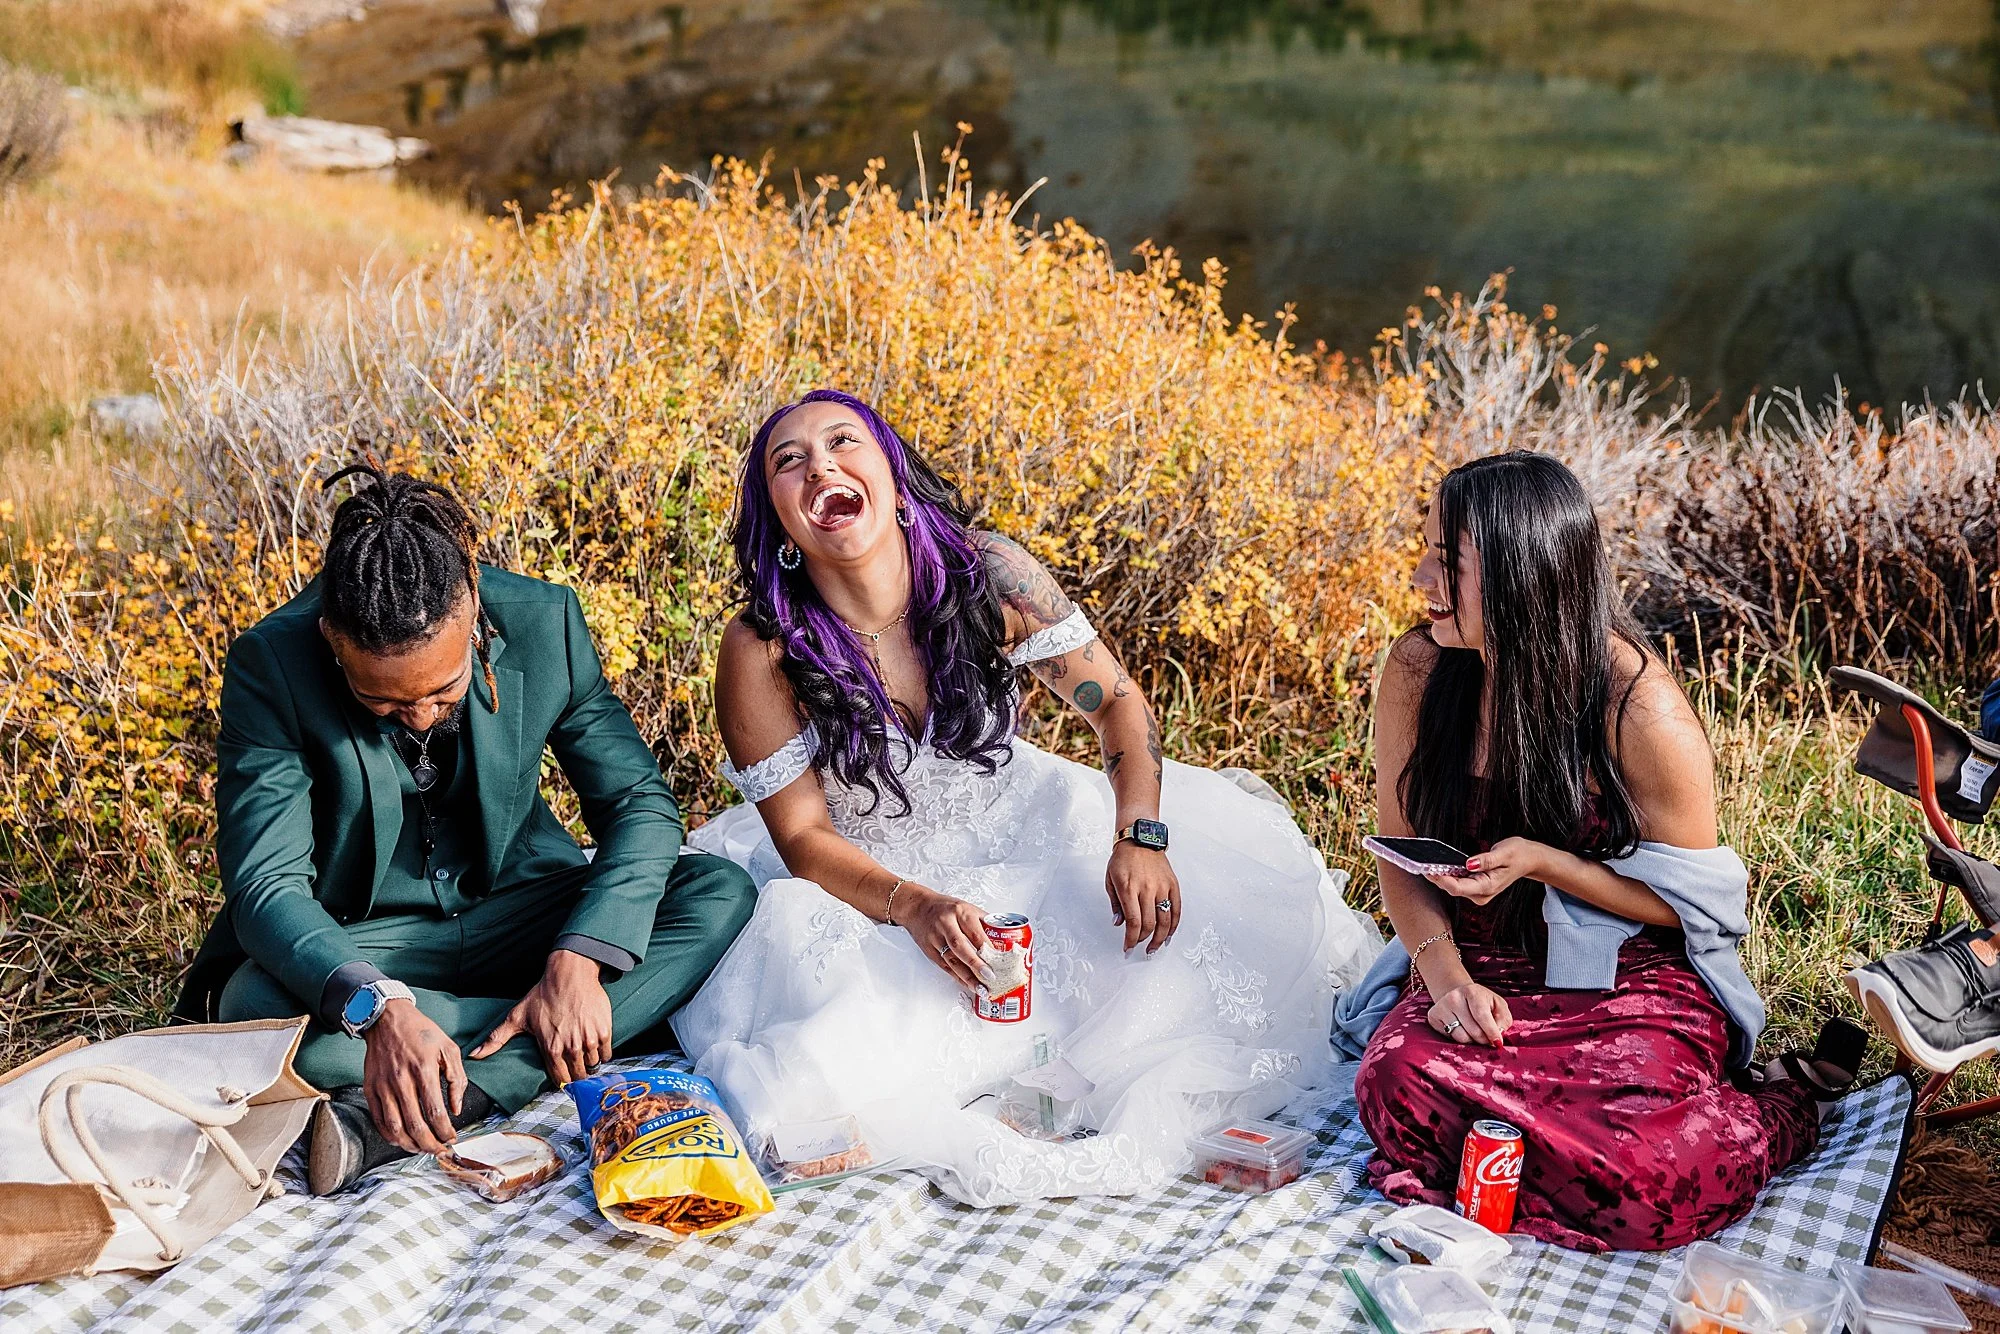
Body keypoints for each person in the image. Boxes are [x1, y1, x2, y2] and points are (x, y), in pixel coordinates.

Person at [671, 389, 1383, 1207]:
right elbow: (800, 835)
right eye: (789, 463)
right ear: (783, 525)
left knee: (1180, 972)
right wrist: (916, 906)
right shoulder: (761, 646)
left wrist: (1141, 836)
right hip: (870, 886)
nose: (821, 466)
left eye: (842, 443)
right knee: (831, 1070)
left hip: (1033, 832)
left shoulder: (988, 575)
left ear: (896, 481)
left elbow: (1117, 704)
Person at [176, 467, 755, 1195]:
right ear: (331, 638)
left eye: (442, 691)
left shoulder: (546, 623)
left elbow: (639, 803)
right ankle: (586, 1030)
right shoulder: (272, 663)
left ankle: (471, 1079)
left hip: (521, 911)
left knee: (718, 888)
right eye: (382, 703)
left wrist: (576, 963)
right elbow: (266, 886)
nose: (419, 716)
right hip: (368, 937)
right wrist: (379, 1009)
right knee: (251, 1009)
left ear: (473, 604)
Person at [1346, 451, 1863, 1253]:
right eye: (1425, 552)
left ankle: (1781, 1107)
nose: (1420, 578)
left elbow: (1700, 907)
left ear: (1528, 572)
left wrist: (1550, 864)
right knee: (1393, 1083)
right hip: (1482, 963)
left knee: (1656, 1174)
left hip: (1632, 974)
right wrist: (1446, 984)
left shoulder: (1639, 706)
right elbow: (1397, 856)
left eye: (1447, 562)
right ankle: (1544, 1161)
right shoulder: (1418, 668)